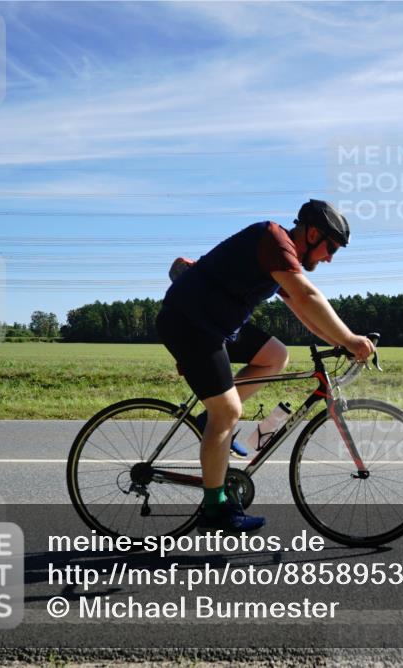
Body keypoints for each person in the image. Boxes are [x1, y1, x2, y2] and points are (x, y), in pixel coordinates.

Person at [156, 199, 376, 532]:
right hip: (190, 323)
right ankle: (214, 510)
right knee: (228, 411)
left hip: (215, 324)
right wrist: (349, 338)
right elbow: (308, 297)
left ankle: (208, 421)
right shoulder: (274, 240)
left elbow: (305, 314)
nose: (330, 258)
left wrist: (340, 342)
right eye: (330, 248)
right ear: (313, 234)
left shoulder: (281, 256)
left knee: (276, 356)